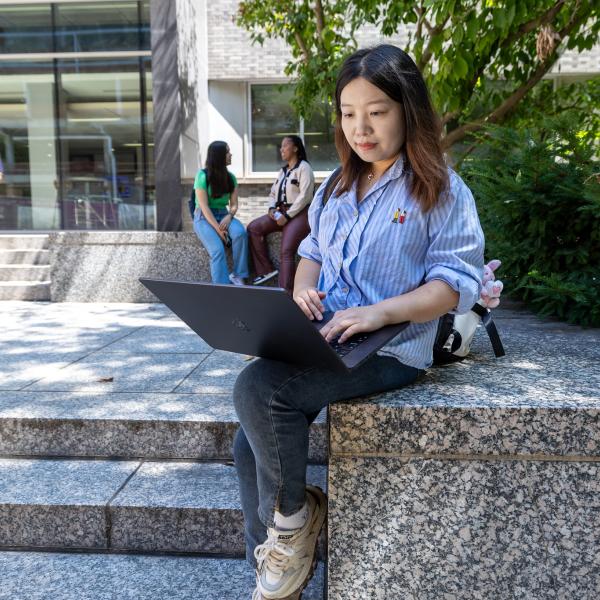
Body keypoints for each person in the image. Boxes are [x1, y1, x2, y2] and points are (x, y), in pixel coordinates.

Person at [232, 44, 485, 600]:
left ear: (408, 110)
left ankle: (290, 535)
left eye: (377, 111)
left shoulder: (440, 188)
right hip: (326, 336)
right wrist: (301, 288)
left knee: (258, 390)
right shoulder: (339, 187)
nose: (360, 128)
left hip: (392, 347)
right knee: (246, 442)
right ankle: (276, 561)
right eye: (348, 113)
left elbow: (455, 285)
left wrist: (379, 312)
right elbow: (314, 250)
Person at [247, 136, 315, 293]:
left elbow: (305, 196)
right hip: (281, 213)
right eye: (281, 146)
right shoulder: (283, 171)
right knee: (253, 228)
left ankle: (285, 292)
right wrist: (272, 209)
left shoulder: (304, 168)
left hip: (299, 214)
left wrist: (289, 216)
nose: (281, 149)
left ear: (296, 148)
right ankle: (265, 270)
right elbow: (272, 193)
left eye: (285, 146)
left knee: (286, 251)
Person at [193, 141, 249, 285]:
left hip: (224, 215)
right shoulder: (202, 176)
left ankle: (238, 275)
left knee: (240, 233)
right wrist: (219, 230)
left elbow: (234, 204)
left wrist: (229, 216)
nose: (231, 155)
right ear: (219, 156)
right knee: (217, 251)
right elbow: (204, 207)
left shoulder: (231, 177)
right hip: (204, 217)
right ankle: (221, 287)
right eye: (227, 152)